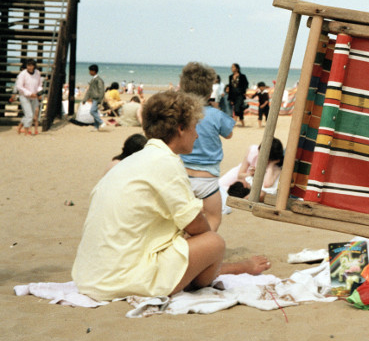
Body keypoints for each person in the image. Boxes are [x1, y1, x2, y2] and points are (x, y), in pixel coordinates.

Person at [71, 90, 270, 302]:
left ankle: (218, 269)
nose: (197, 134)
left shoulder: (133, 161)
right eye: (194, 127)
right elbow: (198, 229)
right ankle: (228, 269)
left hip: (90, 276)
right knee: (214, 242)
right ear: (181, 128)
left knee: (188, 236)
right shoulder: (166, 162)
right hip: (120, 278)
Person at [178, 61, 234, 229]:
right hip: (207, 178)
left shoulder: (180, 113)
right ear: (210, 90)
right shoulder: (216, 115)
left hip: (181, 173)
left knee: (181, 219)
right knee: (213, 218)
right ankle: (205, 248)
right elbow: (229, 134)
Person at [15, 57, 43, 136]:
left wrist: (38, 93)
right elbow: (19, 87)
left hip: (34, 96)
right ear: (26, 66)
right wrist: (29, 93)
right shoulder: (22, 74)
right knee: (29, 115)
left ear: (34, 66)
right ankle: (26, 133)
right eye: (28, 65)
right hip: (24, 96)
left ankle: (19, 127)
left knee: (29, 115)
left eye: (31, 65)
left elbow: (39, 85)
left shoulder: (37, 73)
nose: (30, 67)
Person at [83, 64, 106, 130]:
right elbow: (89, 91)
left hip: (96, 98)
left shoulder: (98, 80)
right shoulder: (94, 79)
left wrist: (100, 100)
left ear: (94, 71)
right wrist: (85, 99)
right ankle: (96, 127)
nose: (89, 72)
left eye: (90, 71)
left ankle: (101, 122)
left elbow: (101, 90)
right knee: (95, 112)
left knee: (92, 111)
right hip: (94, 98)